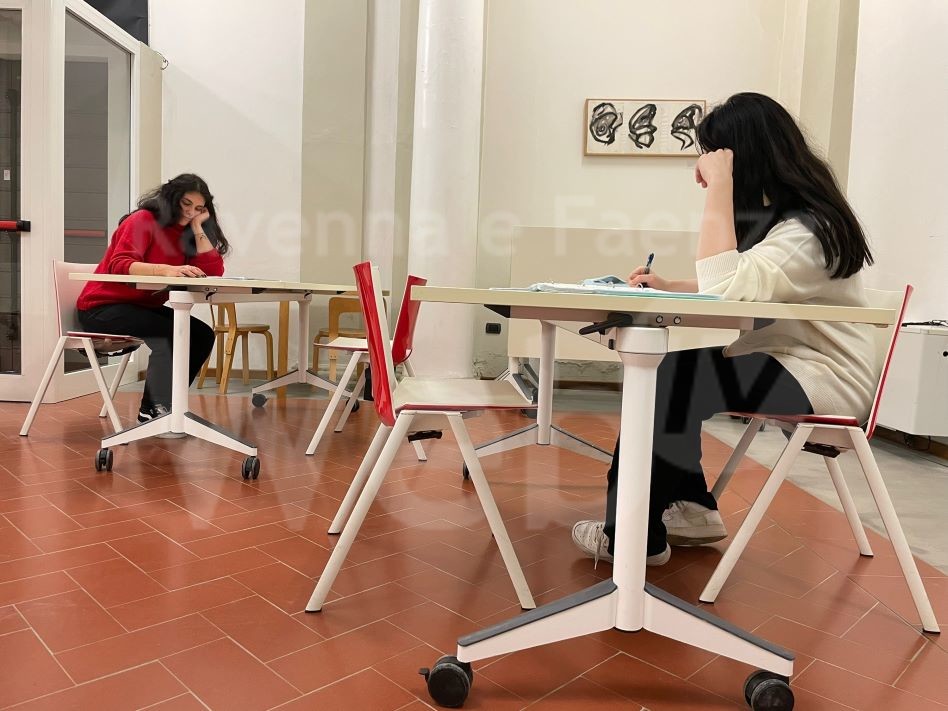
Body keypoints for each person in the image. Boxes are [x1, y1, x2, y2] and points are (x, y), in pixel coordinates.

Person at [572, 93, 877, 567]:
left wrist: (719, 185)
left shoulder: (808, 230)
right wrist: (671, 286)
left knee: (672, 377)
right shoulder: (793, 221)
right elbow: (748, 280)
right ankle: (691, 507)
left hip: (824, 378)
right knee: (674, 374)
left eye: (713, 154)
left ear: (743, 156)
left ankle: (630, 537)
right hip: (797, 364)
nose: (704, 165)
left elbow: (729, 284)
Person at [77, 173, 229, 427]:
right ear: (171, 198)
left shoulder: (185, 234)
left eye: (199, 208)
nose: (191, 212)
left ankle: (169, 403)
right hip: (101, 309)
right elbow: (120, 264)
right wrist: (167, 270)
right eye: (186, 204)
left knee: (202, 335)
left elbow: (213, 272)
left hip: (140, 308)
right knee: (171, 333)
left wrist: (197, 228)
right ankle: (152, 409)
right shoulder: (143, 220)